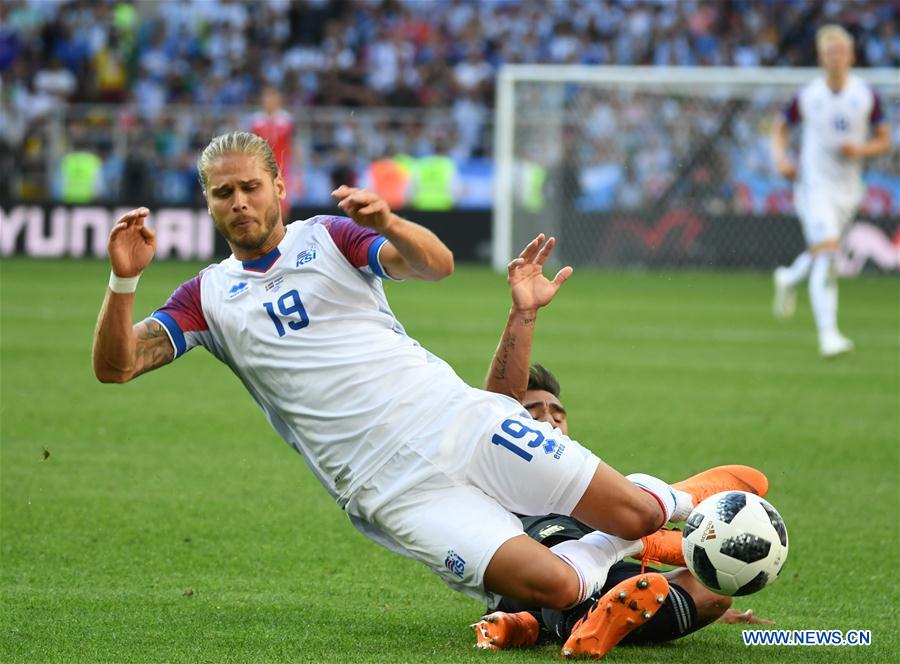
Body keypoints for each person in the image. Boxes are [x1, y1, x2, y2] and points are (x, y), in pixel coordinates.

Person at [92, 131, 767, 659]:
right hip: (392, 489)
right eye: (220, 193)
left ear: (277, 186)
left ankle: (673, 502)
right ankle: (648, 539)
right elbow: (117, 368)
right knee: (560, 582)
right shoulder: (206, 297)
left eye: (248, 187)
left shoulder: (328, 236)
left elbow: (434, 265)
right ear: (207, 201)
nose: (237, 203)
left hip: (459, 419)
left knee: (635, 516)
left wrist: (390, 220)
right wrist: (123, 285)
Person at [472, 236, 774, 654]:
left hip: (600, 568)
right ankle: (555, 620)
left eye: (556, 409)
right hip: (533, 557)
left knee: (711, 593)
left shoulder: (576, 470)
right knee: (563, 567)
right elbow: (497, 408)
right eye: (534, 408)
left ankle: (548, 625)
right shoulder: (499, 459)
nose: (549, 415)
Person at [771, 24, 891, 357]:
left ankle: (789, 278)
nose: (835, 58)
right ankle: (829, 334)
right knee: (827, 253)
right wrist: (781, 158)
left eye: (840, 52)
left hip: (848, 189)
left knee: (825, 249)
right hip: (814, 186)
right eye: (829, 52)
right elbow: (780, 127)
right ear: (821, 57)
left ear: (850, 56)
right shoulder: (808, 96)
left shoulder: (865, 96)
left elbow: (884, 139)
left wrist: (860, 150)